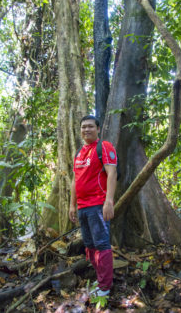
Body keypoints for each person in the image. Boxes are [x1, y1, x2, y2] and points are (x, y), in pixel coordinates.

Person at [69, 115, 117, 297]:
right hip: (82, 207)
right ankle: (100, 278)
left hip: (98, 205)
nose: (86, 130)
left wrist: (109, 201)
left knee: (102, 244)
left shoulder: (104, 147)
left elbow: (111, 174)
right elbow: (75, 180)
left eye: (90, 126)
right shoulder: (79, 153)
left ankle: (105, 287)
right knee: (89, 245)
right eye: (83, 127)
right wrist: (72, 205)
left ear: (98, 129)